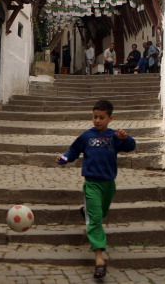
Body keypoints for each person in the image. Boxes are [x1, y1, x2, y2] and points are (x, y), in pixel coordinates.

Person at [56, 100, 136, 279]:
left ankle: (85, 211)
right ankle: (99, 258)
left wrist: (126, 138)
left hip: (109, 184)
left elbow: (131, 147)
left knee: (101, 212)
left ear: (110, 118)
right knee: (96, 220)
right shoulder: (86, 136)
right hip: (91, 183)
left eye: (101, 117)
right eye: (95, 117)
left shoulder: (114, 136)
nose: (97, 120)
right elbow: (73, 151)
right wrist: (64, 158)